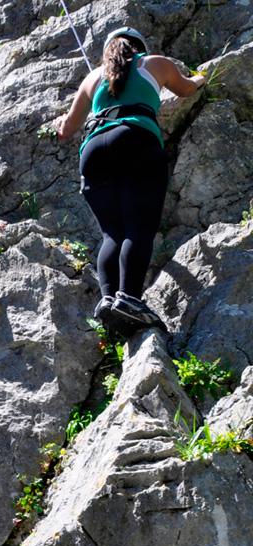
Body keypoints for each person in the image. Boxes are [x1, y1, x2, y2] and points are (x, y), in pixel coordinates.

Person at [54, 27, 205, 332]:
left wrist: (60, 121)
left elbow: (66, 130)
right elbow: (187, 89)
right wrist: (201, 77)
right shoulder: (155, 63)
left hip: (94, 150)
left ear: (108, 50)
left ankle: (109, 301)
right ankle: (130, 300)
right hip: (136, 139)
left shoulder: (92, 78)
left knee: (113, 233)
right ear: (140, 48)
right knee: (139, 227)